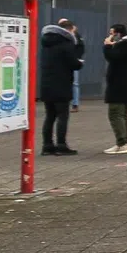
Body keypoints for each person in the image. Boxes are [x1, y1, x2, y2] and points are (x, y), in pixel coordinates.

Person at [37, 21, 84, 156]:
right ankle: (61, 145)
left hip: (47, 85)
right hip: (62, 84)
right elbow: (74, 63)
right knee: (62, 116)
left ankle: (47, 145)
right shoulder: (66, 44)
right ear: (69, 31)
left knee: (49, 116)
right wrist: (79, 63)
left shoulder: (46, 43)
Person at [102, 24, 127, 155]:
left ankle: (122, 142)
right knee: (124, 113)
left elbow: (112, 57)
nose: (109, 36)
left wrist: (108, 45)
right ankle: (125, 141)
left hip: (119, 84)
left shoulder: (125, 45)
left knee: (115, 113)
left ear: (118, 34)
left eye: (112, 34)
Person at [63, 19, 84, 112]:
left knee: (74, 83)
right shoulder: (61, 37)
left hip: (73, 61)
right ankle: (64, 102)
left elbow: (81, 48)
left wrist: (78, 58)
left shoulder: (77, 37)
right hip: (64, 63)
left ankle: (75, 104)